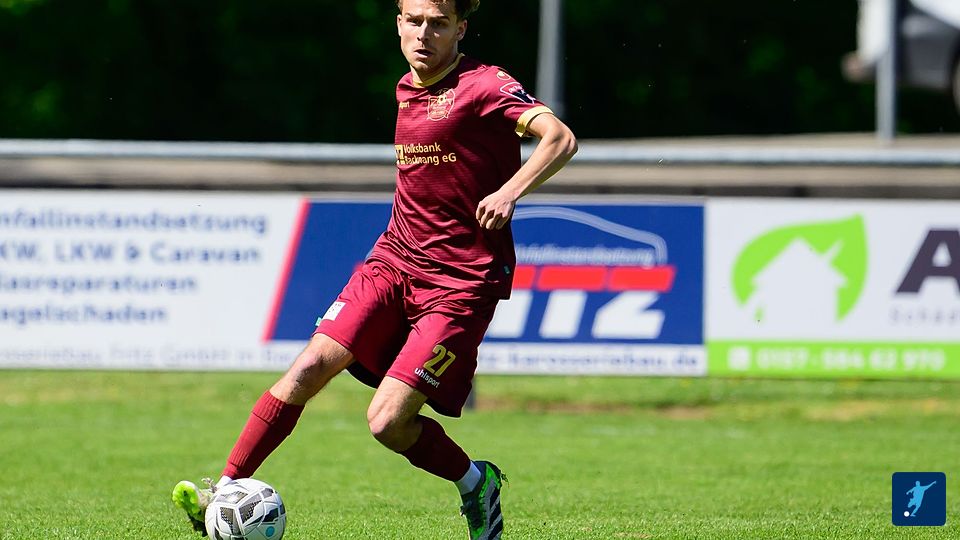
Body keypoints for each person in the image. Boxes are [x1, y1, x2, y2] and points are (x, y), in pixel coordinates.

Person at [172, 0, 577, 538]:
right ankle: (223, 491)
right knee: (308, 367)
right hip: (394, 259)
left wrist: (510, 191)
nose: (424, 34)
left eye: (439, 24)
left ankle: (476, 483)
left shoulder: (485, 85)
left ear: (461, 28)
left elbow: (560, 138)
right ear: (399, 24)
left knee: (387, 422)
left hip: (460, 281)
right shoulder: (406, 86)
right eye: (414, 21)